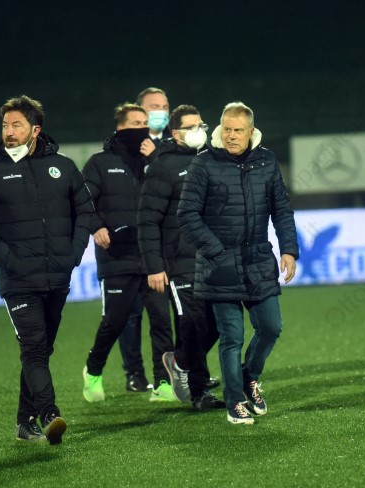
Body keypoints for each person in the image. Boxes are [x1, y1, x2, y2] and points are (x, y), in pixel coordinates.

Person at [0, 95, 94, 445]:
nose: (9, 131)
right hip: (18, 280)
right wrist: (8, 259)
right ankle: (49, 413)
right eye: (5, 125)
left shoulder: (63, 166)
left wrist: (73, 254)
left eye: (16, 125)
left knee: (42, 349)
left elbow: (86, 213)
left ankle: (24, 422)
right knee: (34, 348)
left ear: (35, 130)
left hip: (58, 275)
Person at [178, 102, 299, 424]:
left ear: (251, 132)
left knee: (271, 327)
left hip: (258, 261)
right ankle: (235, 402)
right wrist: (217, 252)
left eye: (238, 130)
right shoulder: (204, 163)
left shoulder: (266, 161)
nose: (231, 136)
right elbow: (187, 215)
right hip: (219, 266)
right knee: (232, 337)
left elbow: (282, 209)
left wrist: (289, 249)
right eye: (227, 129)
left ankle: (249, 377)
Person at [82, 103, 175, 403]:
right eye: (136, 123)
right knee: (115, 321)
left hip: (152, 256)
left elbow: (173, 193)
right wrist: (96, 226)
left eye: (144, 123)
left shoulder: (156, 159)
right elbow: (83, 201)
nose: (142, 128)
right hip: (117, 256)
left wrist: (156, 159)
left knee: (161, 321)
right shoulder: (99, 163)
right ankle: (93, 369)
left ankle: (163, 383)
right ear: (120, 128)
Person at [138, 104, 225, 411]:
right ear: (175, 134)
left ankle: (180, 361)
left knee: (218, 323)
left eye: (201, 125)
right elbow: (148, 220)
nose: (199, 131)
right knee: (194, 321)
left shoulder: (213, 159)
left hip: (214, 258)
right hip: (181, 259)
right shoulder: (163, 167)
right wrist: (154, 266)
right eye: (191, 127)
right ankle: (200, 393)